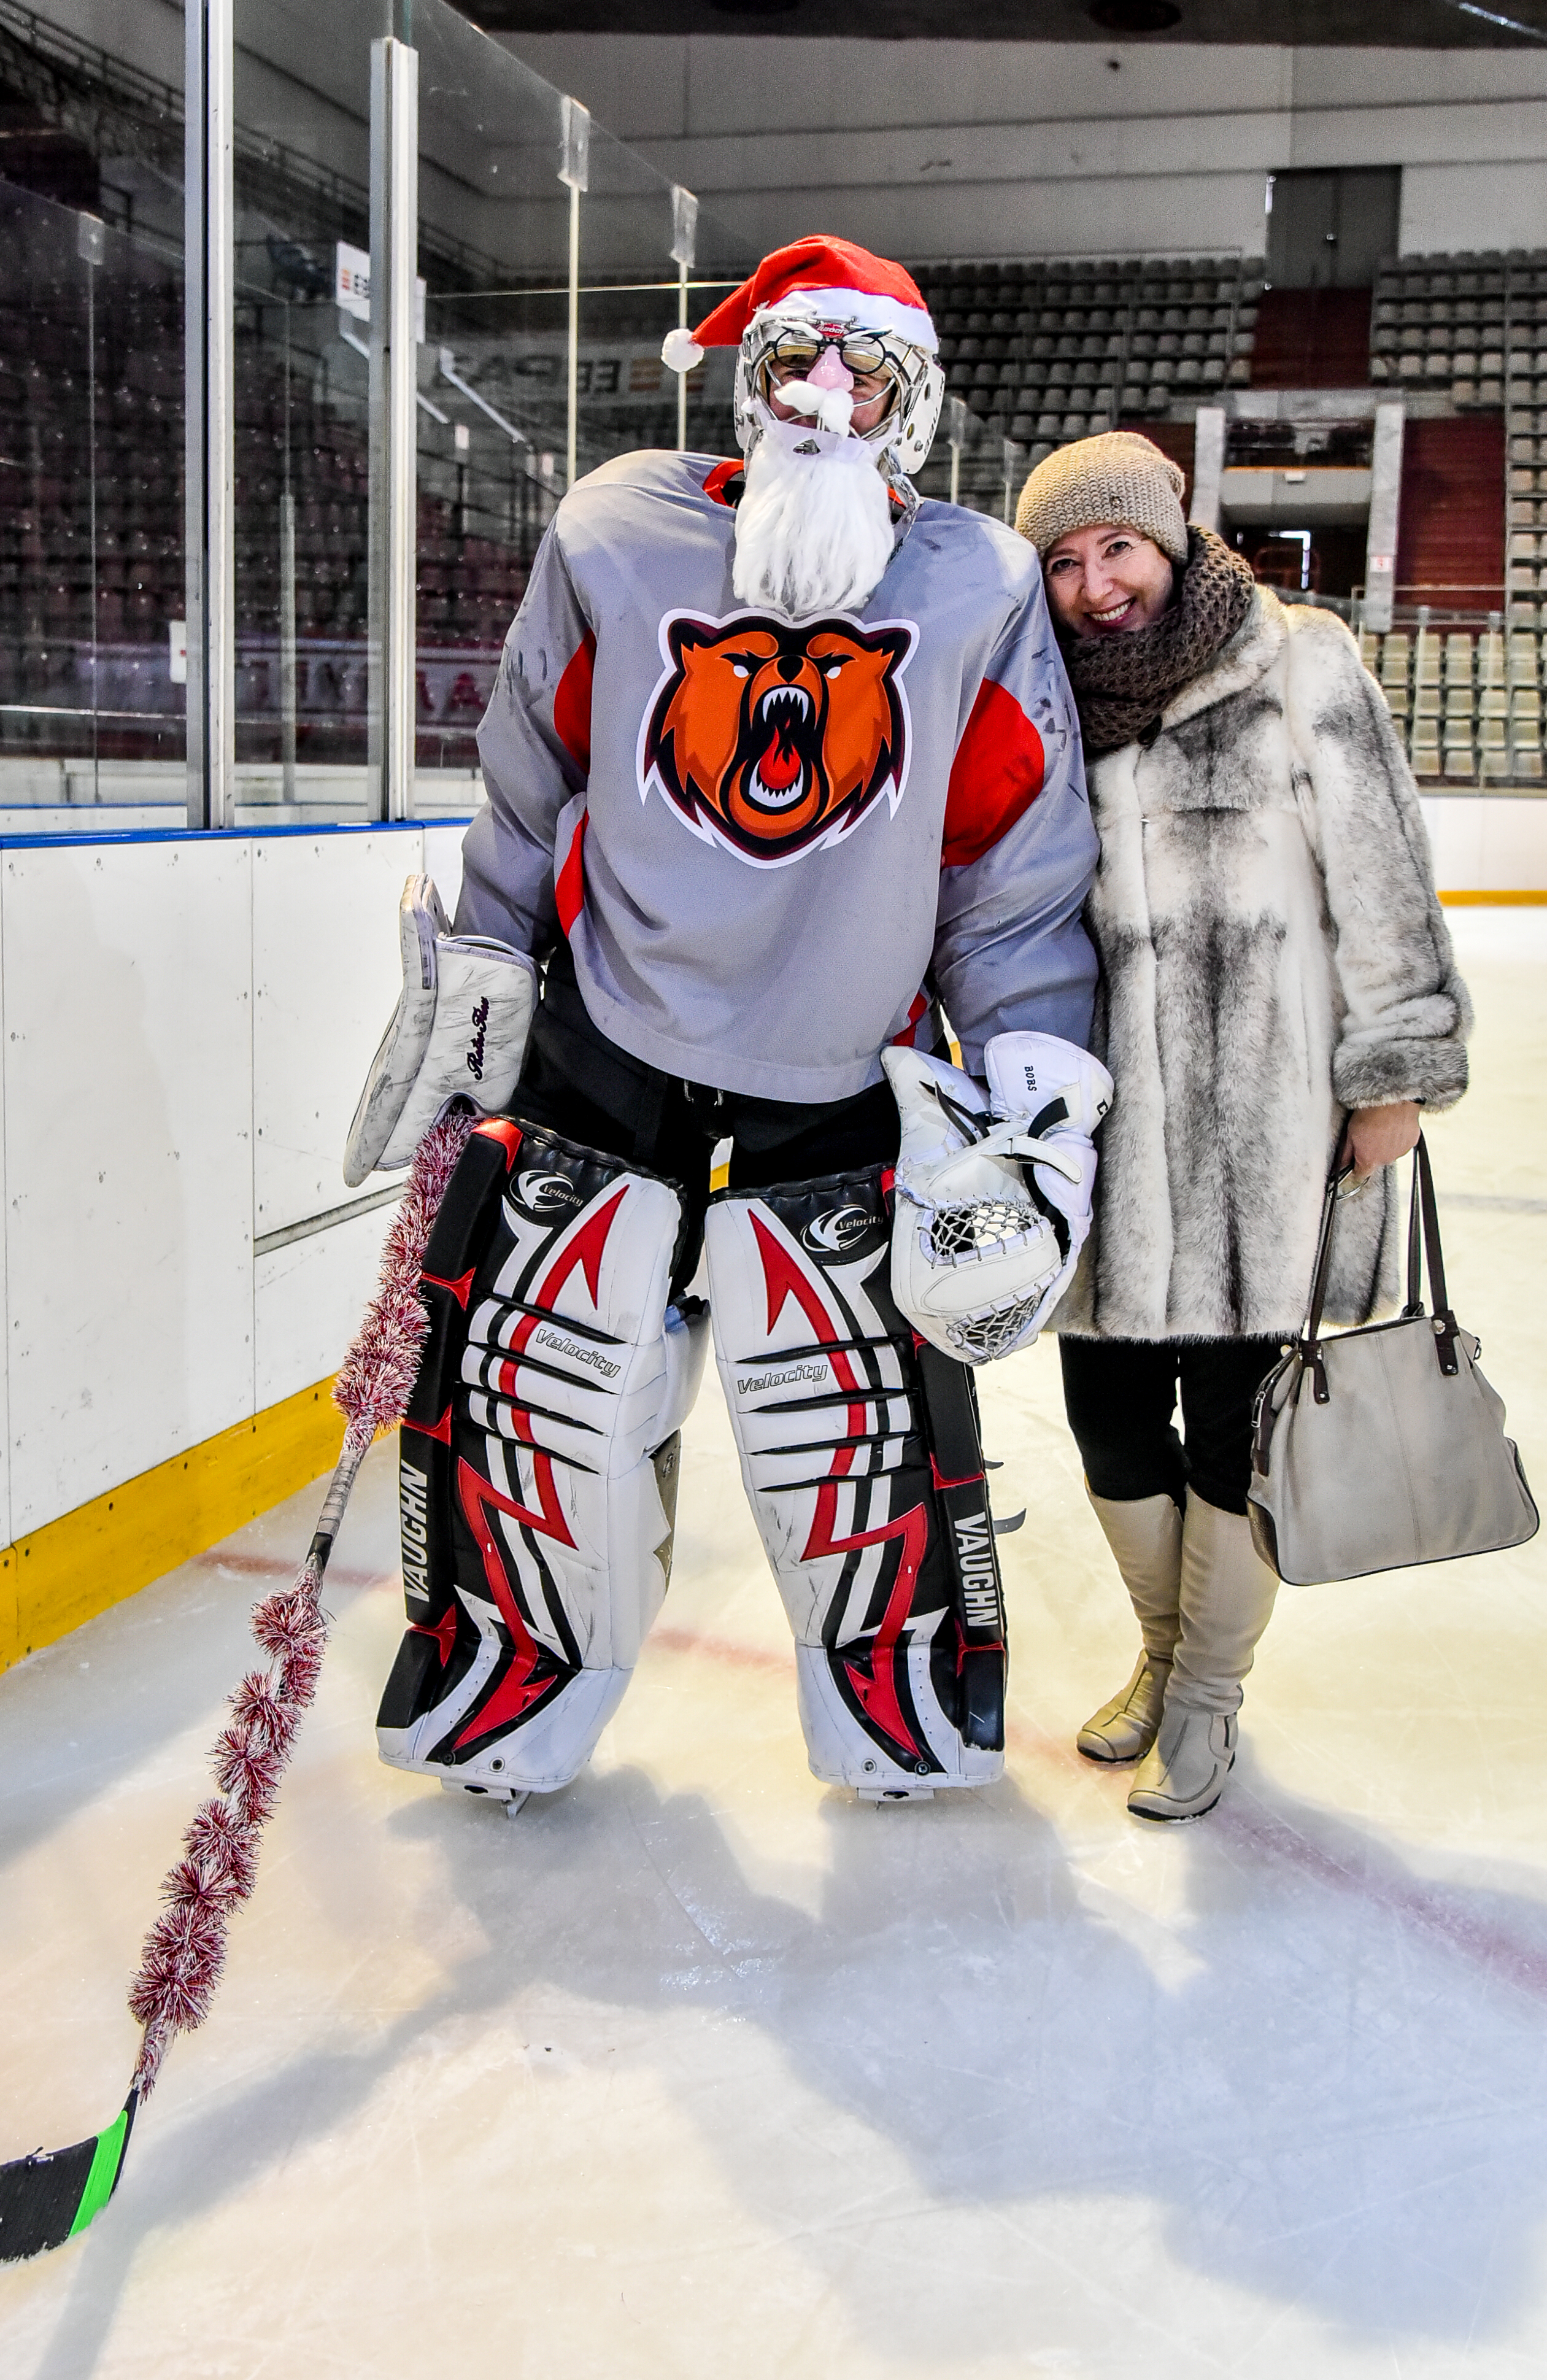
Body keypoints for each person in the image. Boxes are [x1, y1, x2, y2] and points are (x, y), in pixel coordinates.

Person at [350, 236, 1107, 1810]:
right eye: (794, 368)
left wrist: (1030, 1081)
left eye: (867, 375)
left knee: (853, 1426)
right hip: (603, 1052)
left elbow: (1014, 865)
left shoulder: (980, 581)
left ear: (916, 407)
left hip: (840, 1083)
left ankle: (898, 1706)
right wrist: (487, 953)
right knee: (541, 1396)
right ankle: (508, 1690)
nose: (826, 404)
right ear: (746, 382)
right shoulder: (619, 529)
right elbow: (527, 770)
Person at [1013, 429, 1472, 1822]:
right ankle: (1160, 1654)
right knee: (1105, 1417)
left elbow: (1384, 876)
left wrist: (1396, 1069)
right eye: (1068, 563)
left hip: (1269, 1132)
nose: (1098, 587)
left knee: (1235, 1424)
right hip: (1101, 1142)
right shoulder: (1040, 702)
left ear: (1174, 536)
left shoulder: (1301, 660)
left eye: (1119, 549)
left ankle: (1206, 1696)